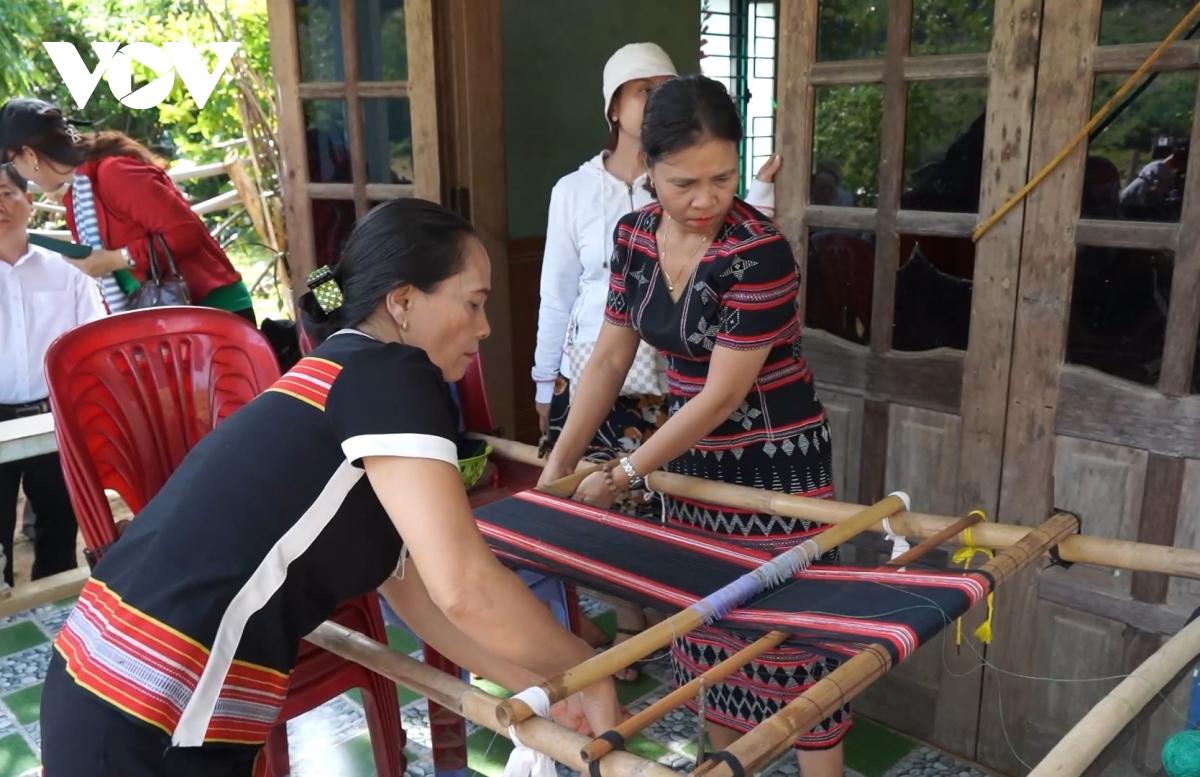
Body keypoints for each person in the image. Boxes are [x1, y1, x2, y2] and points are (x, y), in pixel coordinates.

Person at [39, 199, 620, 776]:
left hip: (102, 681)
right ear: (403, 301)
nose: (485, 327)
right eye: (473, 304)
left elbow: (413, 586)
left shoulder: (341, 370)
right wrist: (587, 667)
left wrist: (541, 688)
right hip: (153, 706)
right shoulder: (393, 376)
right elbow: (466, 586)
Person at [538, 75, 844, 776]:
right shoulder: (634, 235)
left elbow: (721, 393)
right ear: (646, 169)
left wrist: (624, 472)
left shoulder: (756, 251)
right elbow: (610, 357)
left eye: (724, 177)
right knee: (708, 638)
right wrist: (557, 468)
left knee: (791, 648)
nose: (707, 199)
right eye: (684, 182)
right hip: (692, 465)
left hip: (774, 469)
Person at [0, 98, 255, 321]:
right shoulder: (77, 195)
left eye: (13, 162)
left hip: (213, 309)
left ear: (30, 155)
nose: (17, 172)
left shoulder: (113, 173)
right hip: (164, 318)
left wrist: (113, 260)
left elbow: (185, 232)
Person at [0, 162, 103, 586]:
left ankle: (55, 617)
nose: (0, 204)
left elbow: (93, 348)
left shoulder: (66, 274)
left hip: (53, 416)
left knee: (60, 525)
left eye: (7, 192)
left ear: (29, 202)